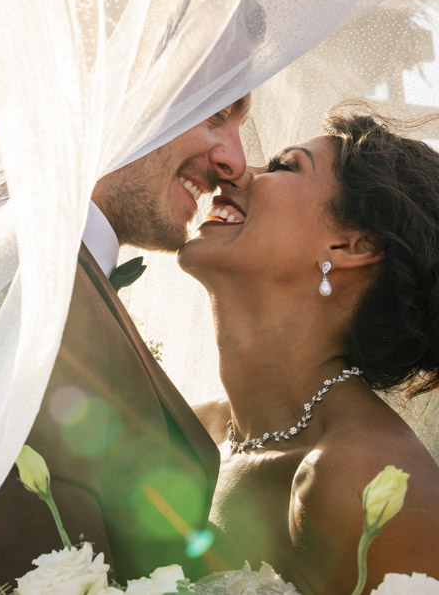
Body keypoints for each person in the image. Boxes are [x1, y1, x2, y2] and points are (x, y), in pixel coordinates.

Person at [0, 94, 252, 592]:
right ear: (125, 86)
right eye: (217, 113)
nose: (234, 162)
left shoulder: (58, 278)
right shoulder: (17, 288)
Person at [181, 104, 439, 593]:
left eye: (284, 166)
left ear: (351, 246)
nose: (238, 171)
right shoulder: (191, 432)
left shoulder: (365, 478)